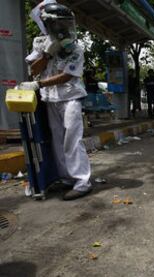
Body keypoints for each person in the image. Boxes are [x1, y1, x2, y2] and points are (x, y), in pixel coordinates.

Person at [20, 3, 92, 200]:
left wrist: (39, 84)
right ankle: (67, 178)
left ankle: (82, 182)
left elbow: (67, 75)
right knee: (58, 141)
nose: (62, 27)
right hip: (51, 99)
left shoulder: (76, 47)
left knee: (72, 139)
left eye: (65, 23)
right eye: (58, 23)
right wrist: (47, 54)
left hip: (71, 98)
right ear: (48, 24)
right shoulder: (40, 43)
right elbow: (33, 69)